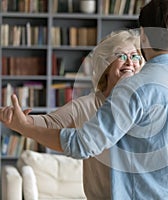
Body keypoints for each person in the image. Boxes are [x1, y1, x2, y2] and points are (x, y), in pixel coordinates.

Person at [1, 0, 168, 199]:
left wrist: (24, 127)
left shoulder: (134, 89)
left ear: (143, 37)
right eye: (121, 56)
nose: (129, 62)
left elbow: (81, 144)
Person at [0, 29, 144, 199]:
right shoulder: (87, 105)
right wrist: (22, 121)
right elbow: (49, 123)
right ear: (105, 64)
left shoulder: (146, 103)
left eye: (135, 57)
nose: (129, 62)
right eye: (121, 55)